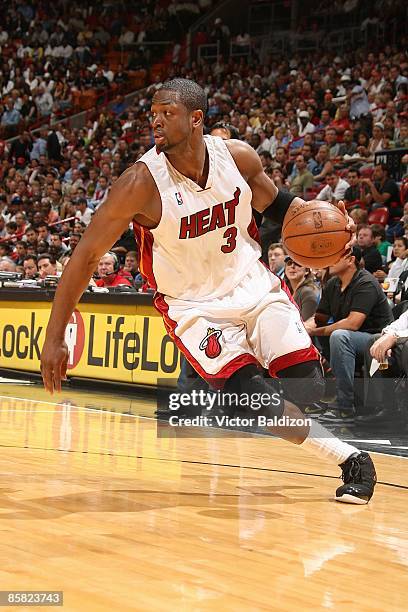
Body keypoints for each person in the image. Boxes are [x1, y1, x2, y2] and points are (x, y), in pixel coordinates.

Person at [40, 78, 376, 504]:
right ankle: (354, 460)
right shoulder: (139, 183)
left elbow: (281, 206)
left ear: (196, 119)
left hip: (252, 285)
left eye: (167, 114)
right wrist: (54, 338)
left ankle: (272, 386)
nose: (156, 123)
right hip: (195, 307)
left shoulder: (235, 157)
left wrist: (330, 224)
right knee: (253, 401)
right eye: (153, 115)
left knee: (306, 389)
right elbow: (84, 258)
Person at [305, 247, 393, 421]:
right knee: (306, 336)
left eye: (335, 257)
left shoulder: (366, 282)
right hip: (349, 338)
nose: (330, 260)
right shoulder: (333, 284)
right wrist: (302, 328)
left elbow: (353, 323)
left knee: (339, 336)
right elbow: (319, 318)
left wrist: (314, 330)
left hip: (377, 338)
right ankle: (309, 396)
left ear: (350, 260)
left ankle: (343, 406)